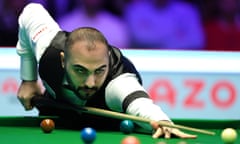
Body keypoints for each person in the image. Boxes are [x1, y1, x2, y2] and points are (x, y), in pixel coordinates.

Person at [16, 3, 196, 139]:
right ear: (63, 60)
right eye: (80, 70)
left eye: (99, 71)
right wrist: (28, 79)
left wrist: (162, 122)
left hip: (108, 128)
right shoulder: (48, 49)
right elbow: (31, 11)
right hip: (57, 115)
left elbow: (141, 104)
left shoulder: (118, 82)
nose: (90, 82)